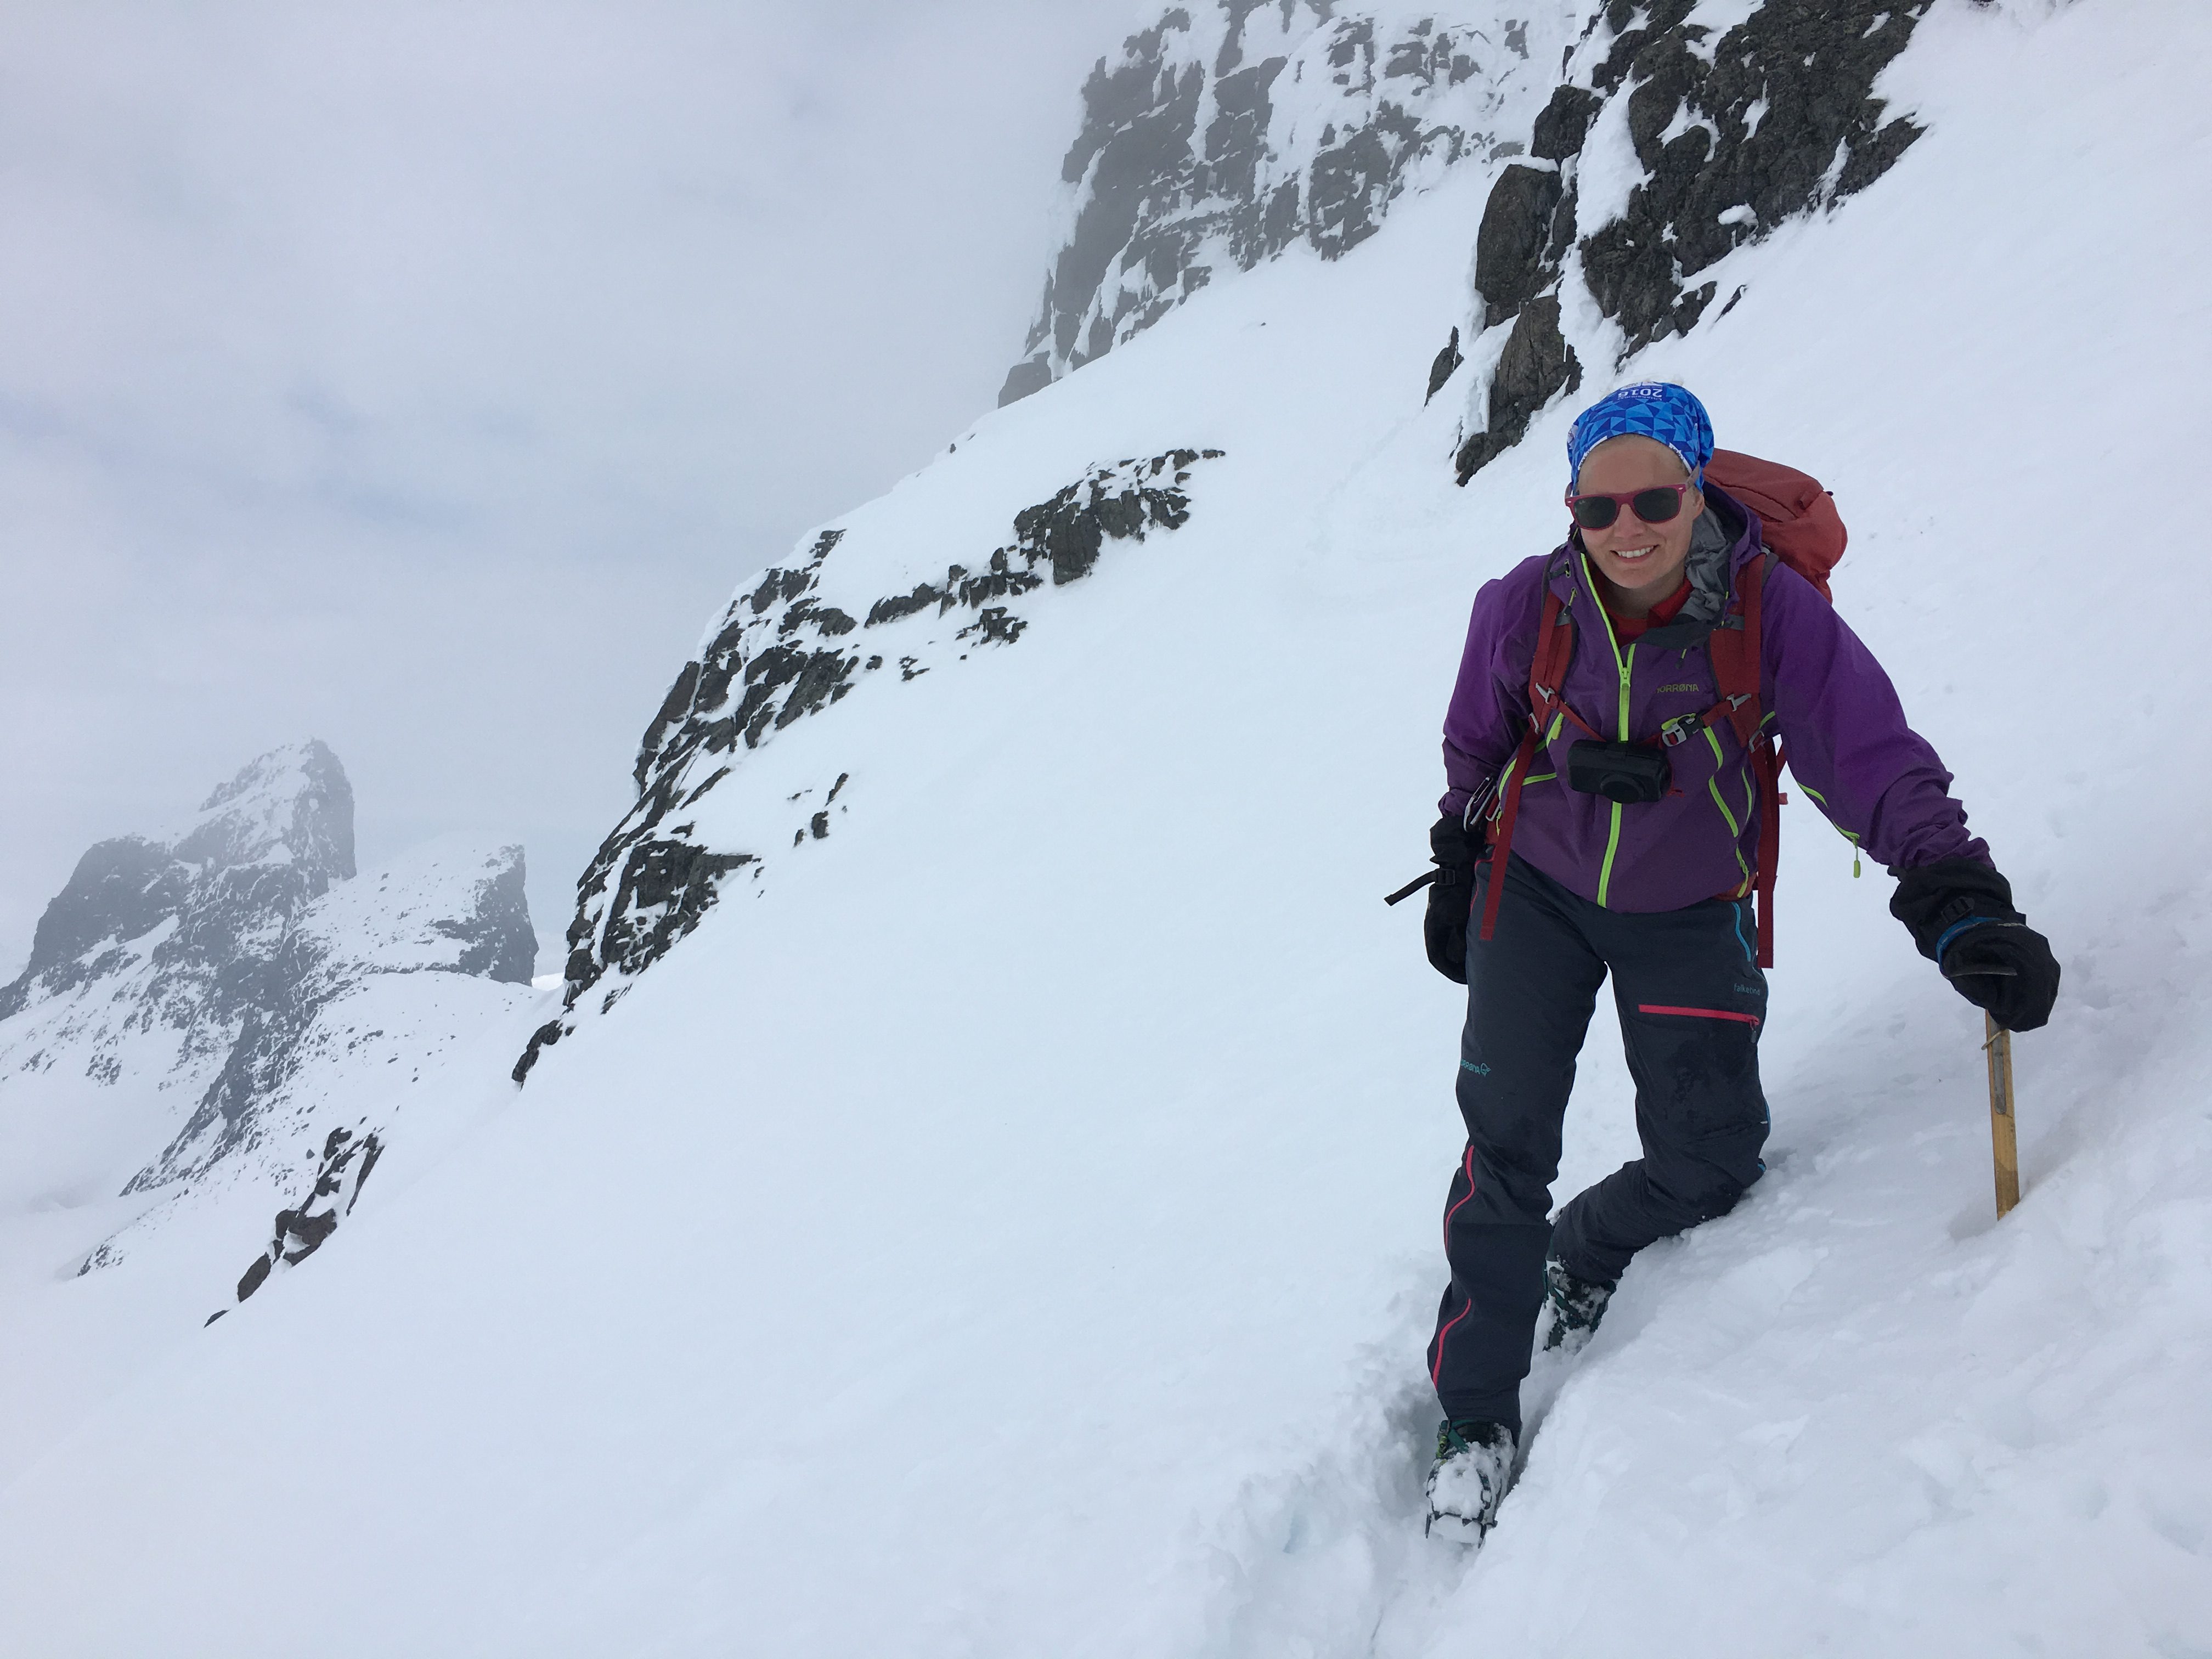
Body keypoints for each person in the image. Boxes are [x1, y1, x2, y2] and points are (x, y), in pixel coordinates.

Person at [1415, 381, 2060, 1542]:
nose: (1625, 528)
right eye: (1596, 506)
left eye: (1654, 497)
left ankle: (1587, 1250)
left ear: (1696, 487)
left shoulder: (1771, 614)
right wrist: (1460, 852)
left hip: (1687, 909)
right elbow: (1479, 739)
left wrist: (1956, 896)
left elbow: (1869, 758)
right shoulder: (1526, 604)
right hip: (1537, 894)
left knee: (1711, 1160)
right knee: (1503, 1147)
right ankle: (1473, 1418)